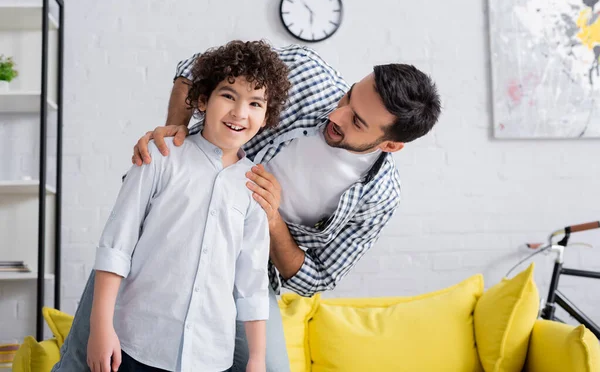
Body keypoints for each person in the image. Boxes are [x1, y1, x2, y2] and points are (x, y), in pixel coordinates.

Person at [53, 42, 441, 372]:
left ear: (390, 144)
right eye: (348, 96)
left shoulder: (378, 198)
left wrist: (272, 221)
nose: (335, 114)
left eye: (355, 122)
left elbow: (316, 278)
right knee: (83, 354)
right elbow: (196, 69)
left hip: (241, 265)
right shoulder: (309, 72)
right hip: (169, 226)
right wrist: (173, 136)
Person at [58, 40, 291, 372]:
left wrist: (256, 358)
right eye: (228, 95)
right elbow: (116, 246)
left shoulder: (254, 186)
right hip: (135, 344)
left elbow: (251, 281)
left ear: (266, 116)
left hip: (210, 357)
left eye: (255, 103)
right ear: (201, 99)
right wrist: (100, 327)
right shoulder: (160, 156)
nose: (240, 112)